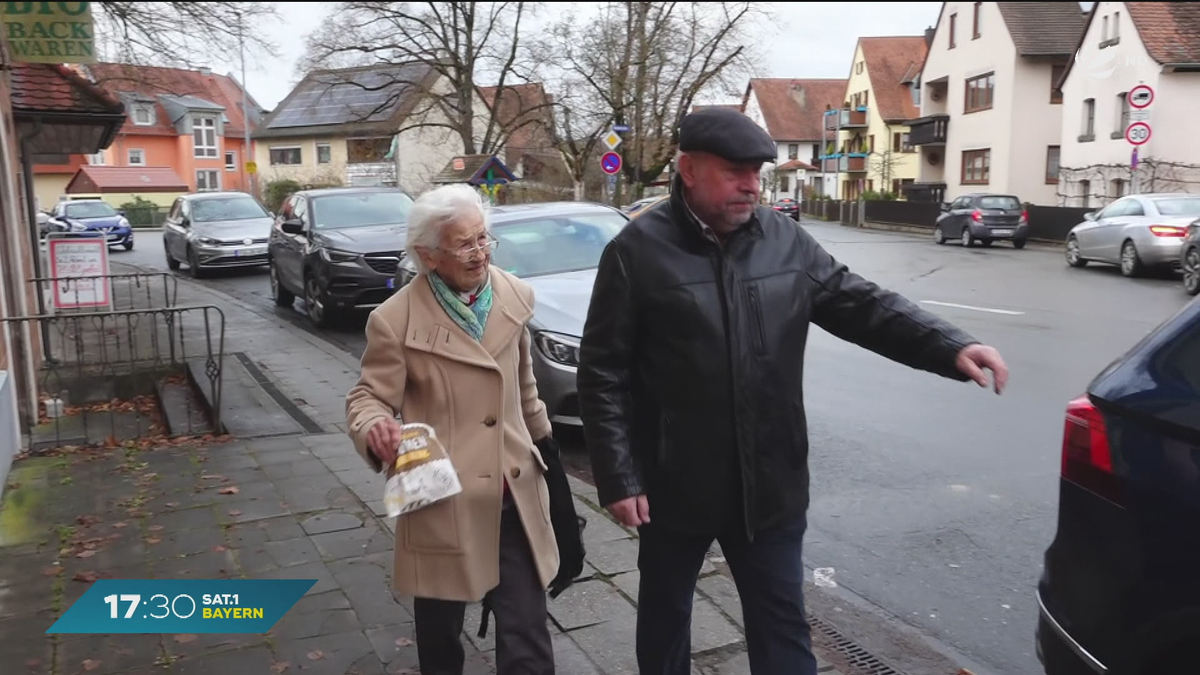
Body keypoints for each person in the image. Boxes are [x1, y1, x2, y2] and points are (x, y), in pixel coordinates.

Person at [576, 106, 1009, 675]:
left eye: (757, 171)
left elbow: (860, 302)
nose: (752, 185)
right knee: (665, 617)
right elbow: (603, 372)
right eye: (735, 171)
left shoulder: (784, 240)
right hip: (673, 481)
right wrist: (620, 476)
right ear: (687, 169)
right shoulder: (637, 253)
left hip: (771, 481)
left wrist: (948, 345)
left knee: (782, 624)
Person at [345, 184, 573, 675]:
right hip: (441, 496)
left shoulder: (513, 294)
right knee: (441, 636)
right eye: (465, 244)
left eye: (484, 239)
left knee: (527, 634)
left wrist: (550, 461)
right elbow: (368, 397)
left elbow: (526, 390)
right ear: (428, 255)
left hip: (513, 490)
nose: (480, 253)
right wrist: (376, 428)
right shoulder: (395, 320)